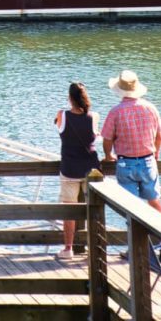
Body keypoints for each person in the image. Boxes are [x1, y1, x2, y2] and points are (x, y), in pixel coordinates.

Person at [101, 70, 161, 215]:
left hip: (125, 163)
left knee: (131, 207)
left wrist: (107, 155)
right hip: (148, 161)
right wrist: (156, 153)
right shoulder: (151, 108)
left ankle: (136, 236)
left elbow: (107, 138)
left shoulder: (115, 112)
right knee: (154, 201)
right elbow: (160, 137)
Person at [55, 82, 101, 260]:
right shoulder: (94, 116)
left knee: (70, 210)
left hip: (69, 169)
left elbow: (58, 128)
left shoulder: (62, 115)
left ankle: (68, 249)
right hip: (91, 170)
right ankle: (96, 249)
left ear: (70, 98)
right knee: (94, 209)